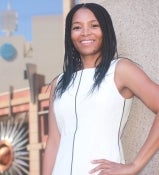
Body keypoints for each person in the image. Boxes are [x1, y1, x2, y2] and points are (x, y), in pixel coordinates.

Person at [42, 3, 159, 175]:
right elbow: (53, 142)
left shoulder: (120, 70)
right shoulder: (58, 84)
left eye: (94, 25)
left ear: (105, 30)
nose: (85, 33)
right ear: (70, 35)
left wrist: (135, 165)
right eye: (77, 27)